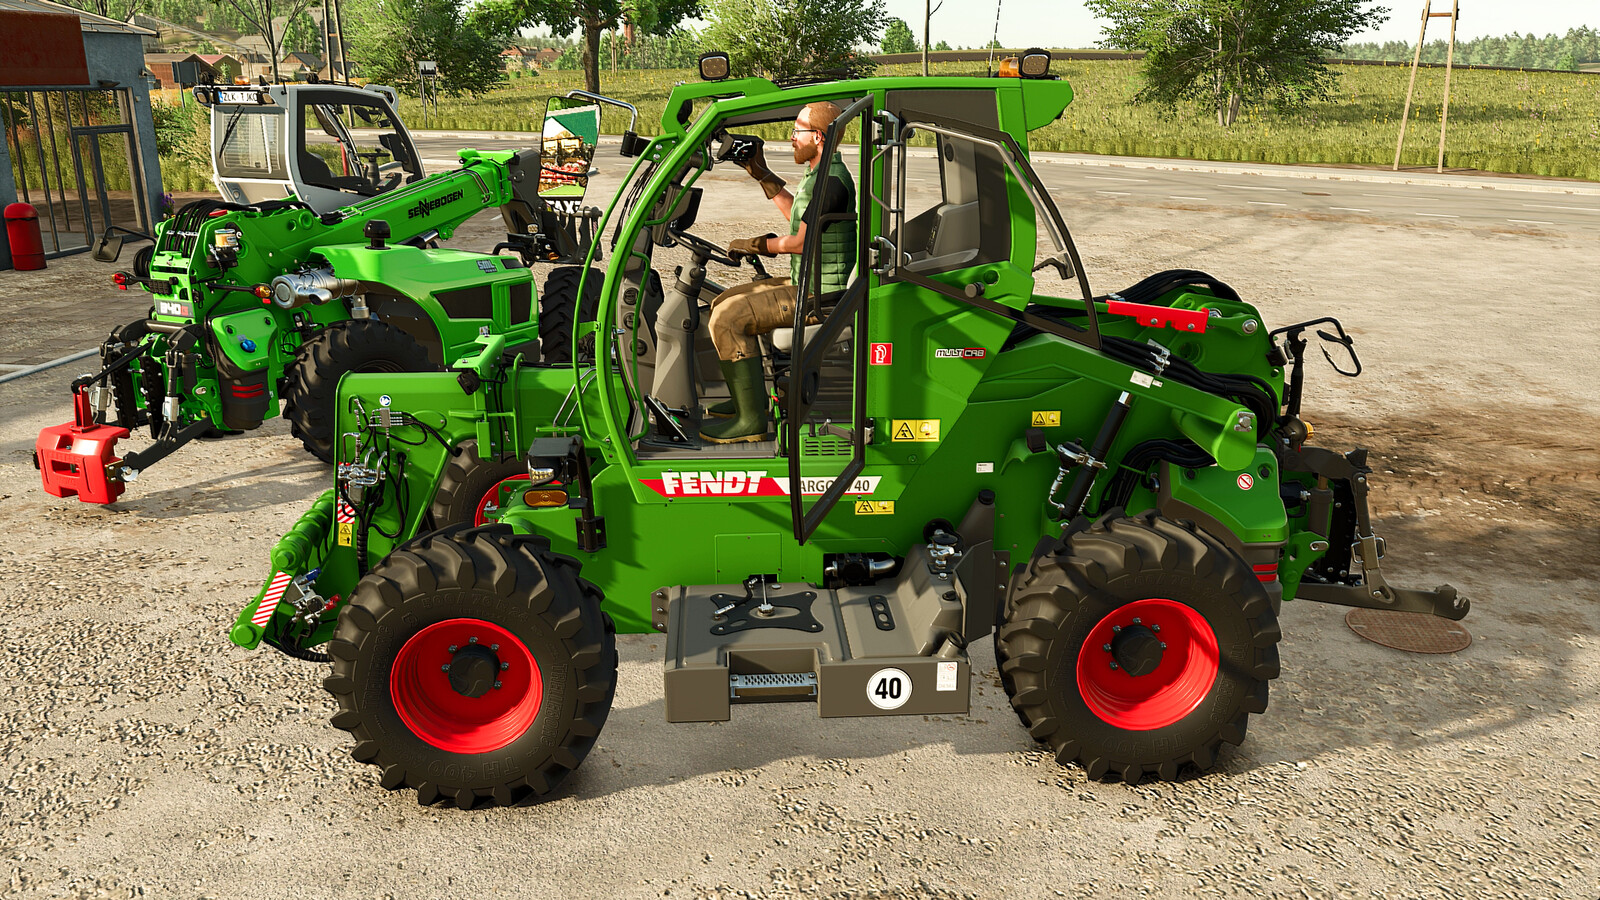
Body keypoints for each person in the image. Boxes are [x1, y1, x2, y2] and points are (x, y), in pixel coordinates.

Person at [699, 100, 857, 444]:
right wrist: (760, 173)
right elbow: (798, 216)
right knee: (722, 300)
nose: (790, 138)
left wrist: (758, 245)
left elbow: (801, 242)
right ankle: (747, 396)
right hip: (810, 282)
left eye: (796, 131)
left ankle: (751, 419)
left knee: (726, 318)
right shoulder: (822, 173)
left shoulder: (831, 182)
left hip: (819, 296)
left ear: (817, 137)